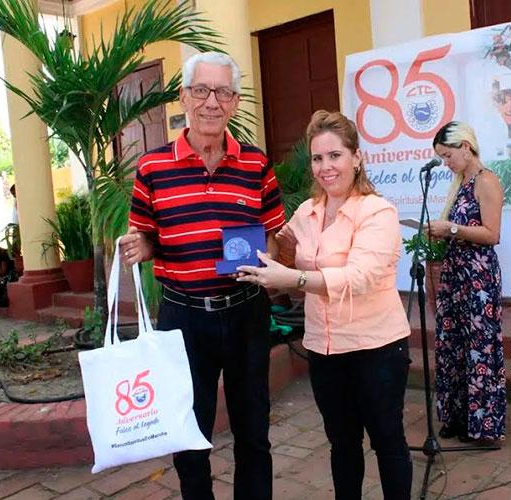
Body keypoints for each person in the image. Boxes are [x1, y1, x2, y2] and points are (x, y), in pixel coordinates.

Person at [119, 52, 285, 500]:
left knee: (254, 433)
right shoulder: (152, 168)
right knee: (189, 437)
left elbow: (274, 236)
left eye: (224, 92)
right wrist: (141, 247)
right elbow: (147, 236)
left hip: (246, 312)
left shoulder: (257, 164)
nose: (212, 102)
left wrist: (270, 258)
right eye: (201, 90)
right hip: (184, 318)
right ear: (184, 97)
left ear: (235, 102)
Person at [236, 110, 413, 499]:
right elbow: (285, 254)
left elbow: (358, 277)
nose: (325, 166)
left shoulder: (377, 212)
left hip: (375, 347)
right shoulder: (307, 212)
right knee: (342, 443)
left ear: (356, 157)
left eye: (335, 155)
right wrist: (256, 251)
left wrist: (293, 279)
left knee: (387, 440)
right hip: (324, 348)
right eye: (318, 158)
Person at [426, 121, 506, 445]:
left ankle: (482, 424)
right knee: (453, 345)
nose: (446, 163)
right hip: (456, 274)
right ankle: (457, 416)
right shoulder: (461, 183)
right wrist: (442, 232)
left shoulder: (487, 181)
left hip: (478, 278)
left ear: (465, 147)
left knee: (478, 346)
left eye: (448, 155)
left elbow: (492, 234)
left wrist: (451, 229)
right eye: (442, 158)